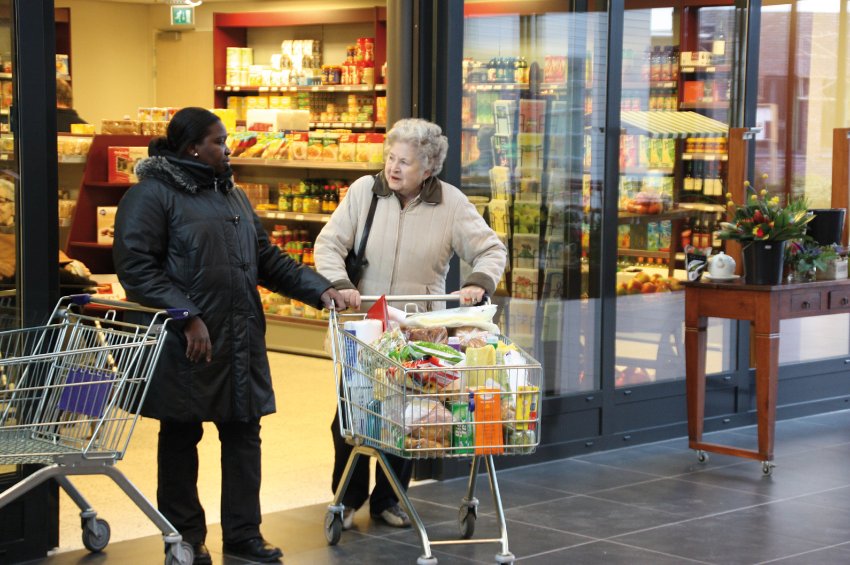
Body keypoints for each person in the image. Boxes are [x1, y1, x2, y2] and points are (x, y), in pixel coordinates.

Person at [112, 107, 346, 565]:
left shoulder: (231, 194)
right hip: (187, 343)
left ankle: (243, 534)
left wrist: (323, 290)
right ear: (192, 147)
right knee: (181, 438)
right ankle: (184, 537)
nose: (227, 148)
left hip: (239, 337)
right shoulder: (151, 197)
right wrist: (187, 315)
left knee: (244, 436)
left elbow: (266, 260)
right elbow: (137, 269)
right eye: (219, 141)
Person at [314, 117, 507, 529]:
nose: (394, 167)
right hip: (363, 324)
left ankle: (389, 499)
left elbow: (491, 249)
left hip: (416, 332)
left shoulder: (451, 203)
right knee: (351, 415)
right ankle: (346, 500)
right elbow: (328, 244)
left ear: (429, 168)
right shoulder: (364, 192)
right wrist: (341, 283)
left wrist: (477, 283)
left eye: (405, 161)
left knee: (407, 416)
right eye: (391, 157)